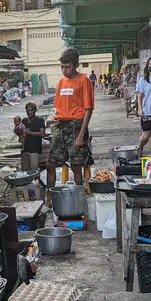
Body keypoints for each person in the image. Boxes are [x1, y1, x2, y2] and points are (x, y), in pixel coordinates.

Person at [47, 48, 94, 193]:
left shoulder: (83, 80)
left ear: (75, 65)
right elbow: (57, 105)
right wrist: (55, 119)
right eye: (62, 67)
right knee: (50, 164)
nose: (64, 70)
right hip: (60, 126)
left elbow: (88, 109)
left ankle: (78, 198)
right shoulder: (61, 82)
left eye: (67, 67)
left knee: (76, 166)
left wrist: (81, 135)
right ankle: (50, 198)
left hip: (76, 126)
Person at [20, 101, 46, 171]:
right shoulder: (24, 121)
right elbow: (21, 133)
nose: (29, 112)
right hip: (25, 149)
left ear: (34, 111)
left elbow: (42, 133)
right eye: (27, 110)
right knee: (24, 170)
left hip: (35, 149)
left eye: (31, 110)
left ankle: (35, 181)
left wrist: (30, 133)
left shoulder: (40, 120)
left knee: (34, 169)